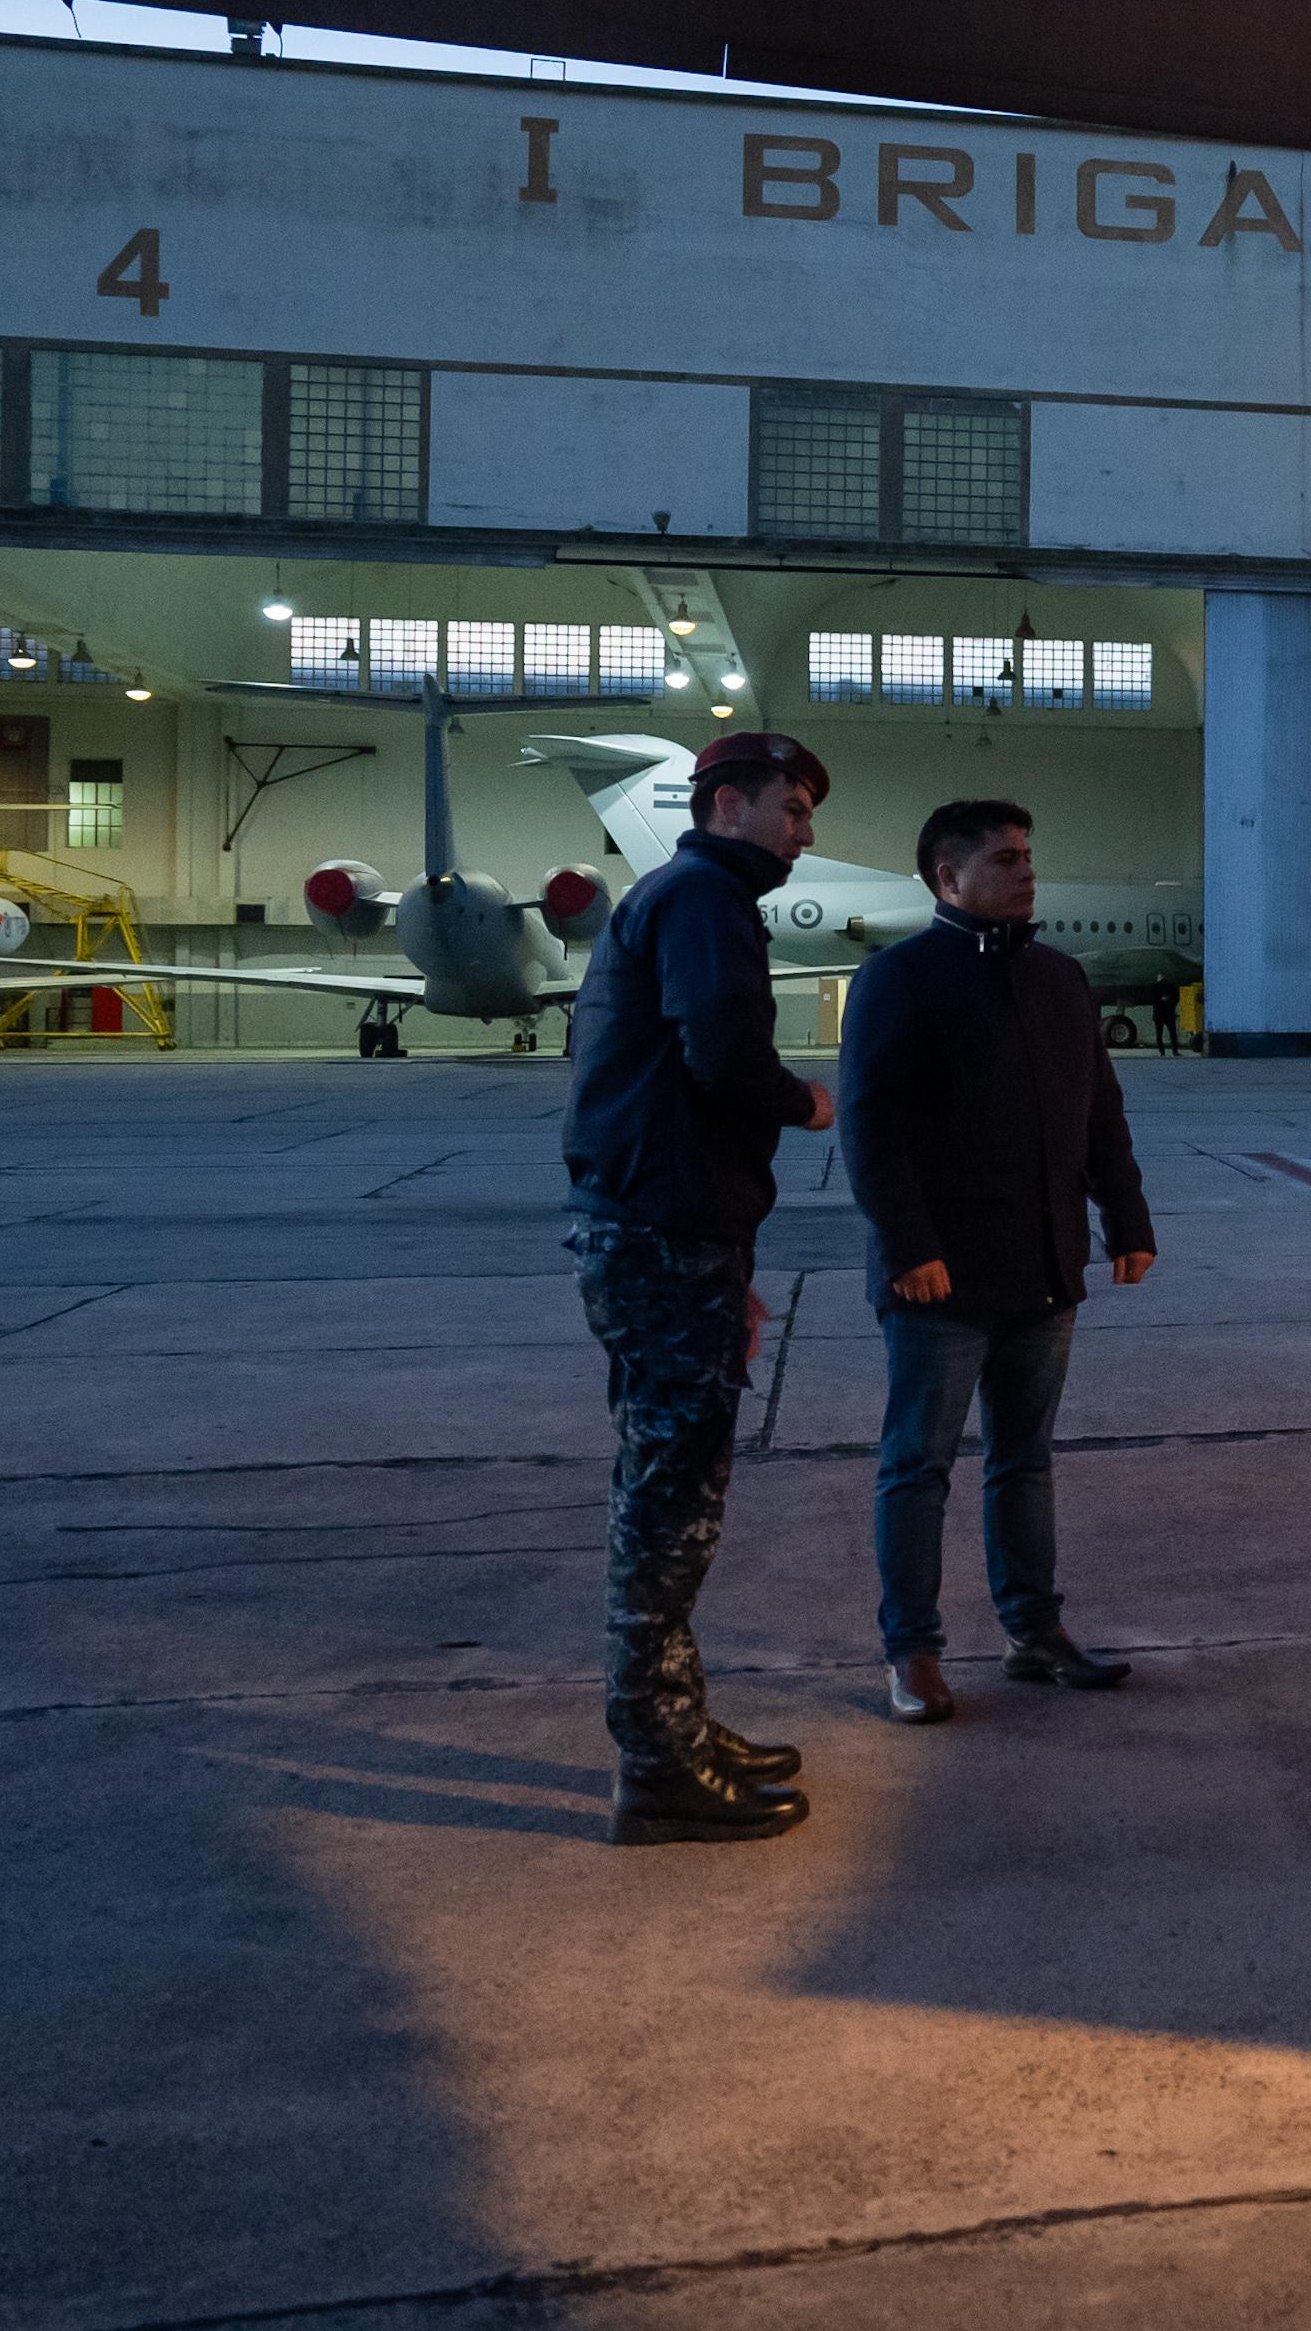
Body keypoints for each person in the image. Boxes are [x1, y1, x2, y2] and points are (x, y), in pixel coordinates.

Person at [561, 729, 837, 1846]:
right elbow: (721, 1056)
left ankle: (674, 1724)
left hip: (666, 1234)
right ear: (727, 806)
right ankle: (658, 1762)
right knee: (671, 1508)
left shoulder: (681, 898)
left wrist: (729, 1263)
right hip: (664, 1235)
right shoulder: (702, 899)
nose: (804, 833)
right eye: (792, 809)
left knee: (666, 1493)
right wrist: (805, 1102)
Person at [837, 797, 1158, 1725]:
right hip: (938, 1279)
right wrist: (908, 1245)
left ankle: (1034, 1632)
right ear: (948, 876)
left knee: (1025, 1461)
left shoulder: (1060, 978)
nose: (1026, 871)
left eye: (1028, 855)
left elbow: (1100, 1110)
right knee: (918, 1466)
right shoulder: (899, 978)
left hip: (1045, 1266)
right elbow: (869, 1127)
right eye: (1005, 859)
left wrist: (1126, 1218)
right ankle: (913, 1652)